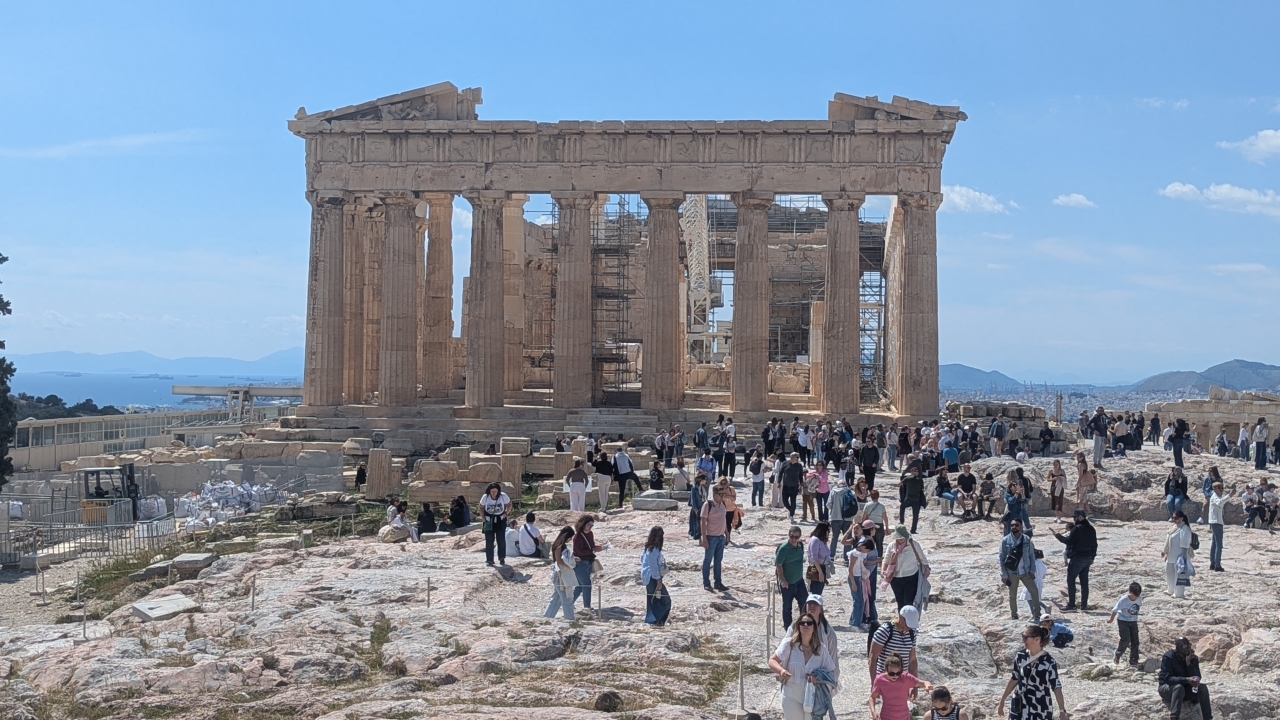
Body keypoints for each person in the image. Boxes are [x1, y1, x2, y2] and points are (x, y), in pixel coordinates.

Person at [768, 611, 838, 720]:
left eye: (809, 623)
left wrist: (817, 678)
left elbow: (831, 672)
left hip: (813, 696)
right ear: (798, 626)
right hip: (791, 694)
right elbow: (772, 661)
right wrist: (781, 670)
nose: (806, 625)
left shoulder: (821, 649)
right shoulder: (789, 644)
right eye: (802, 623)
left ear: (814, 628)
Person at [998, 624, 1068, 720]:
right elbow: (1014, 678)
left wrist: (1062, 711)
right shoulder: (1020, 656)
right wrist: (1002, 700)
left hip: (1040, 707)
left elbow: (1056, 687)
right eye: (1022, 636)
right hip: (1019, 704)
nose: (1022, 640)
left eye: (1025, 637)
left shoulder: (1049, 662)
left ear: (1037, 639)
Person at [1052, 509, 1097, 610]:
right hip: (1087, 559)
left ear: (1080, 517)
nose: (1074, 519)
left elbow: (1068, 541)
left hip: (1077, 558)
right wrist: (1092, 557)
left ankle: (1071, 604)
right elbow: (1095, 545)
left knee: (1071, 580)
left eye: (1075, 517)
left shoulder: (1077, 528)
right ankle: (1084, 605)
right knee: (1084, 583)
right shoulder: (1091, 528)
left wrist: (1058, 536)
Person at [1159, 637, 1213, 720]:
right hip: (1168, 689)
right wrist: (1186, 680)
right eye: (1184, 646)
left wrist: (1188, 663)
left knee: (1203, 688)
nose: (1188, 648)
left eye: (1189, 645)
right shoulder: (1169, 656)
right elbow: (1167, 679)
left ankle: (1207, 718)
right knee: (1178, 687)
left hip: (1185, 690)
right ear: (1178, 647)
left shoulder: (1193, 658)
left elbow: (1197, 676)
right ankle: (1174, 717)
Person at [870, 650, 931, 720]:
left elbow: (924, 682)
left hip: (904, 717)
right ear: (886, 670)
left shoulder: (905, 677)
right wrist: (873, 712)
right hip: (886, 717)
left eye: (898, 673)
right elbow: (872, 697)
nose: (895, 676)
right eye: (891, 673)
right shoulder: (880, 679)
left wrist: (927, 685)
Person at [1000, 518, 1041, 621]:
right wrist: (1004, 574)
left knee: (1034, 591)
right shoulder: (1005, 540)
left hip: (1025, 572)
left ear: (1021, 526)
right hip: (1011, 572)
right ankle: (1014, 614)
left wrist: (1032, 570)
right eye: (1012, 525)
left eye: (1016, 525)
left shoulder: (1026, 539)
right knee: (1012, 594)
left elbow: (1031, 556)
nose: (1014, 527)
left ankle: (1037, 613)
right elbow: (1001, 558)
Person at [882, 525, 930, 611]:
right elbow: (886, 560)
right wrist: (883, 571)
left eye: (902, 537)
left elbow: (922, 558)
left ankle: (908, 618)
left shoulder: (914, 544)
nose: (900, 539)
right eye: (899, 537)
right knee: (900, 601)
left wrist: (927, 568)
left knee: (908, 602)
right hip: (895, 577)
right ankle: (901, 619)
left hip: (911, 576)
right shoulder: (891, 545)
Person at [868, 605, 919, 680]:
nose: (908, 627)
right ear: (901, 617)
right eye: (907, 624)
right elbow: (872, 658)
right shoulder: (885, 630)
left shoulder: (912, 633)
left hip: (902, 681)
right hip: (884, 680)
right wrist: (874, 682)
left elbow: (912, 660)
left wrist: (915, 685)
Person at [776, 525, 807, 630]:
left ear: (800, 537)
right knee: (787, 607)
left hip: (799, 581)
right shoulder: (784, 548)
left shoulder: (800, 546)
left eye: (796, 537)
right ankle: (787, 629)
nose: (794, 539)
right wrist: (782, 580)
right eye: (792, 536)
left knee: (804, 605)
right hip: (788, 583)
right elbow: (778, 564)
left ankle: (803, 626)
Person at [700, 484, 730, 592]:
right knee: (707, 560)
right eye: (720, 494)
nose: (722, 496)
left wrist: (727, 534)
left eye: (723, 494)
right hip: (711, 537)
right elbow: (703, 522)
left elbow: (724, 520)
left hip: (721, 537)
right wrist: (704, 538)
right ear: (714, 493)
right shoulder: (708, 505)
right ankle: (706, 583)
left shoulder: (723, 504)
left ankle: (718, 583)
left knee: (718, 561)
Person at [544, 526, 577, 620]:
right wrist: (571, 561)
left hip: (558, 574)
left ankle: (547, 617)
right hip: (561, 575)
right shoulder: (560, 546)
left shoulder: (557, 545)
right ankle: (569, 619)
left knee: (556, 598)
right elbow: (559, 560)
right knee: (567, 599)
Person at [571, 515, 602, 612]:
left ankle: (569, 603)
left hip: (588, 561)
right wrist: (592, 550)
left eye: (592, 525)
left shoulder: (590, 534)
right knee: (587, 585)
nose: (590, 527)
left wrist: (598, 548)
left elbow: (591, 546)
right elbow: (579, 552)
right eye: (589, 525)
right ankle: (587, 607)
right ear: (583, 524)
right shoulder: (577, 536)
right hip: (580, 563)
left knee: (580, 585)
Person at [1108, 581, 1143, 666]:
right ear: (1130, 592)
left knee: (1135, 641)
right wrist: (1111, 620)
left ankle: (1133, 660)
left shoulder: (1139, 598)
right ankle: (1118, 654)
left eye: (1137, 595)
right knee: (1125, 639)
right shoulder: (1124, 600)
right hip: (1123, 621)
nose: (1136, 597)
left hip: (1133, 621)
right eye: (1134, 595)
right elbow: (1115, 610)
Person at [641, 526, 670, 626]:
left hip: (650, 577)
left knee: (653, 600)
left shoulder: (648, 548)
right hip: (653, 578)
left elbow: (642, 560)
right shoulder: (653, 550)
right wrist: (658, 580)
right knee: (664, 600)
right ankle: (656, 621)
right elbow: (653, 566)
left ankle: (654, 621)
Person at [1162, 510, 1193, 598]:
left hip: (1179, 556)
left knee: (1179, 574)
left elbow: (1185, 545)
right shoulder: (1174, 528)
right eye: (1172, 518)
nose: (1173, 520)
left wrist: (1184, 558)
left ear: (1181, 518)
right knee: (1169, 572)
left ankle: (1178, 593)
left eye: (1175, 518)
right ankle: (1170, 589)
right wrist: (1166, 553)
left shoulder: (1184, 529)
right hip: (1171, 555)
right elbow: (1169, 541)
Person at [479, 483, 511, 566]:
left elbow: (509, 504)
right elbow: (481, 507)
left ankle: (502, 558)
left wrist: (506, 513)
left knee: (501, 539)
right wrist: (483, 518)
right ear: (489, 491)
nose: (494, 493)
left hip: (500, 519)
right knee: (489, 540)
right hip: (488, 520)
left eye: (495, 491)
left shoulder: (503, 496)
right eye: (492, 491)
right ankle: (489, 560)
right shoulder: (485, 497)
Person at [1206, 481, 1233, 571]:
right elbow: (1220, 503)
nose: (1221, 490)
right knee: (1219, 544)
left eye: (1222, 488)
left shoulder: (1216, 497)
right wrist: (1229, 495)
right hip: (1216, 522)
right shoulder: (1215, 497)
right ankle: (1217, 565)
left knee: (1214, 543)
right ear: (1214, 489)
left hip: (1215, 521)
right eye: (1219, 488)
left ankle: (1213, 563)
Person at [849, 536, 874, 630]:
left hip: (858, 577)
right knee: (858, 601)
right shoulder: (855, 554)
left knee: (861, 601)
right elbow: (850, 569)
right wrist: (853, 583)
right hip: (854, 578)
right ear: (863, 547)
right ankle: (855, 624)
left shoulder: (860, 554)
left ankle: (858, 622)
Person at [806, 523, 832, 596]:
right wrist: (820, 572)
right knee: (815, 592)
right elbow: (814, 557)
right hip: (816, 568)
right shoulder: (815, 540)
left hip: (822, 567)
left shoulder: (821, 541)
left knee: (819, 592)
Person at [780, 452, 806, 523]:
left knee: (793, 501)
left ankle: (791, 515)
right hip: (786, 486)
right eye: (796, 457)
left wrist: (801, 483)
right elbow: (780, 473)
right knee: (785, 502)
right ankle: (791, 510)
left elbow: (800, 475)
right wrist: (778, 482)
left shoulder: (799, 466)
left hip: (794, 487)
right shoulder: (785, 463)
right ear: (792, 457)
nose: (798, 458)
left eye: (798, 457)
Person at [898, 469, 925, 535]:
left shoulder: (908, 478)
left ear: (911, 472)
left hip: (908, 499)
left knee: (902, 507)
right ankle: (913, 530)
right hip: (917, 500)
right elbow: (922, 489)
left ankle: (901, 521)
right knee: (915, 515)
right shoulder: (920, 480)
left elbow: (899, 484)